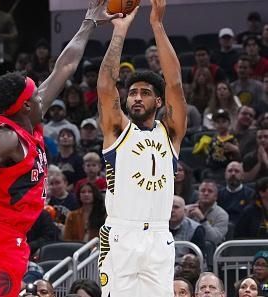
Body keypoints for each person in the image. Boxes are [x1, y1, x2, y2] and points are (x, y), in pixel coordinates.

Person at [0, 2, 121, 296]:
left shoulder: (30, 117)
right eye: (36, 92)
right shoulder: (6, 137)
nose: (42, 93)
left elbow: (65, 66)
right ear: (26, 105)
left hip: (12, 239)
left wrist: (89, 23)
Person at [96, 0, 187, 295]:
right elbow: (106, 87)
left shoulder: (170, 132)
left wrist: (157, 25)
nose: (136, 97)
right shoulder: (118, 130)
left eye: (145, 93)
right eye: (133, 92)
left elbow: (174, 83)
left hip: (160, 236)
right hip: (122, 234)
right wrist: (120, 31)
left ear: (158, 102)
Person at [186, 180, 229, 246]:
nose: (206, 193)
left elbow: (214, 239)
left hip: (211, 252)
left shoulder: (222, 215)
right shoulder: (186, 209)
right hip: (187, 249)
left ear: (216, 196)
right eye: (203, 190)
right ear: (198, 194)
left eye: (210, 191)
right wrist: (185, 218)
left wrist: (202, 219)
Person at [169, 196, 205, 260]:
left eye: (176, 207)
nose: (172, 210)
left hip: (186, 266)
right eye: (169, 207)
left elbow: (197, 258)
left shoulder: (196, 229)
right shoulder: (158, 227)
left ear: (185, 210)